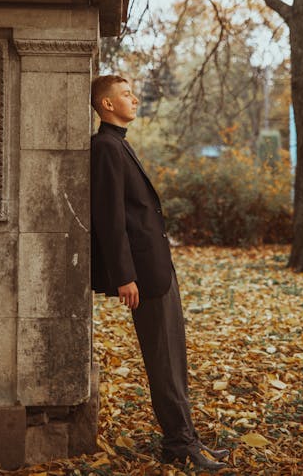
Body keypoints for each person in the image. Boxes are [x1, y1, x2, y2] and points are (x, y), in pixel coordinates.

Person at [90, 74, 229, 472]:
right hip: (142, 275)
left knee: (175, 358)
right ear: (107, 105)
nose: (134, 99)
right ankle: (179, 444)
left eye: (133, 93)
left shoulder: (119, 144)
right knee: (163, 362)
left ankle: (187, 439)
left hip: (158, 268)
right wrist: (124, 276)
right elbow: (110, 218)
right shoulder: (104, 148)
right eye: (126, 95)